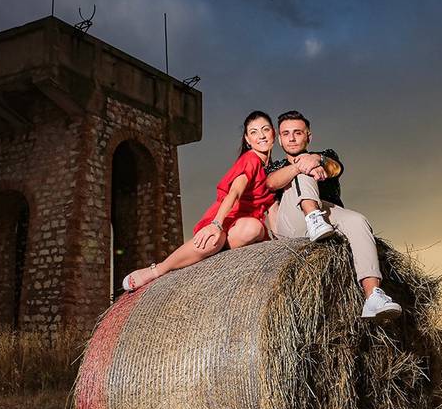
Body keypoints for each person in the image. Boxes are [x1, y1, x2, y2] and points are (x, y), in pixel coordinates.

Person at [265, 110, 402, 320]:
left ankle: (372, 296)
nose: (292, 138)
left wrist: (316, 159)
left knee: (358, 220)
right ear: (280, 139)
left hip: (328, 213)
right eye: (286, 133)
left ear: (308, 136)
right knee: (302, 173)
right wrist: (302, 166)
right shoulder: (276, 166)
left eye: (298, 132)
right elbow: (271, 183)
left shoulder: (326, 155)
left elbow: (335, 168)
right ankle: (312, 218)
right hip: (292, 222)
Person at [121, 110, 277, 291]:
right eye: (254, 132)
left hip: (246, 224)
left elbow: (273, 207)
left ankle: (212, 258)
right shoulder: (250, 160)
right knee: (224, 237)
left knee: (254, 228)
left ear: (273, 131)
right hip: (227, 217)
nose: (261, 136)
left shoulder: (273, 169)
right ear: (247, 140)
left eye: (265, 130)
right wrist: (216, 225)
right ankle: (157, 270)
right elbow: (234, 192)